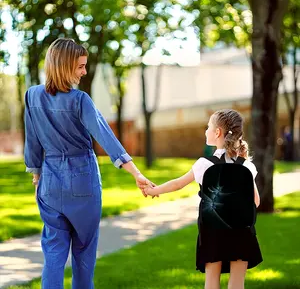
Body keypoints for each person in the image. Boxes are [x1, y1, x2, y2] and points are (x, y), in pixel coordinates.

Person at [24, 38, 153, 289]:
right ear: (64, 66)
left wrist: (37, 177)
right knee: (83, 253)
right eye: (80, 67)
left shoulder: (32, 96)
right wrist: (136, 173)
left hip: (49, 182)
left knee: (53, 253)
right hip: (82, 179)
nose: (84, 72)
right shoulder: (79, 100)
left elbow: (32, 142)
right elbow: (106, 137)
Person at [144, 109, 262, 289]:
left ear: (217, 133)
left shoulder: (204, 164)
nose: (206, 131)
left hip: (212, 233)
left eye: (208, 127)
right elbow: (256, 201)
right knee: (237, 283)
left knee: (211, 282)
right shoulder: (247, 166)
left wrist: (154, 191)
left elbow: (178, 184)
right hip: (241, 232)